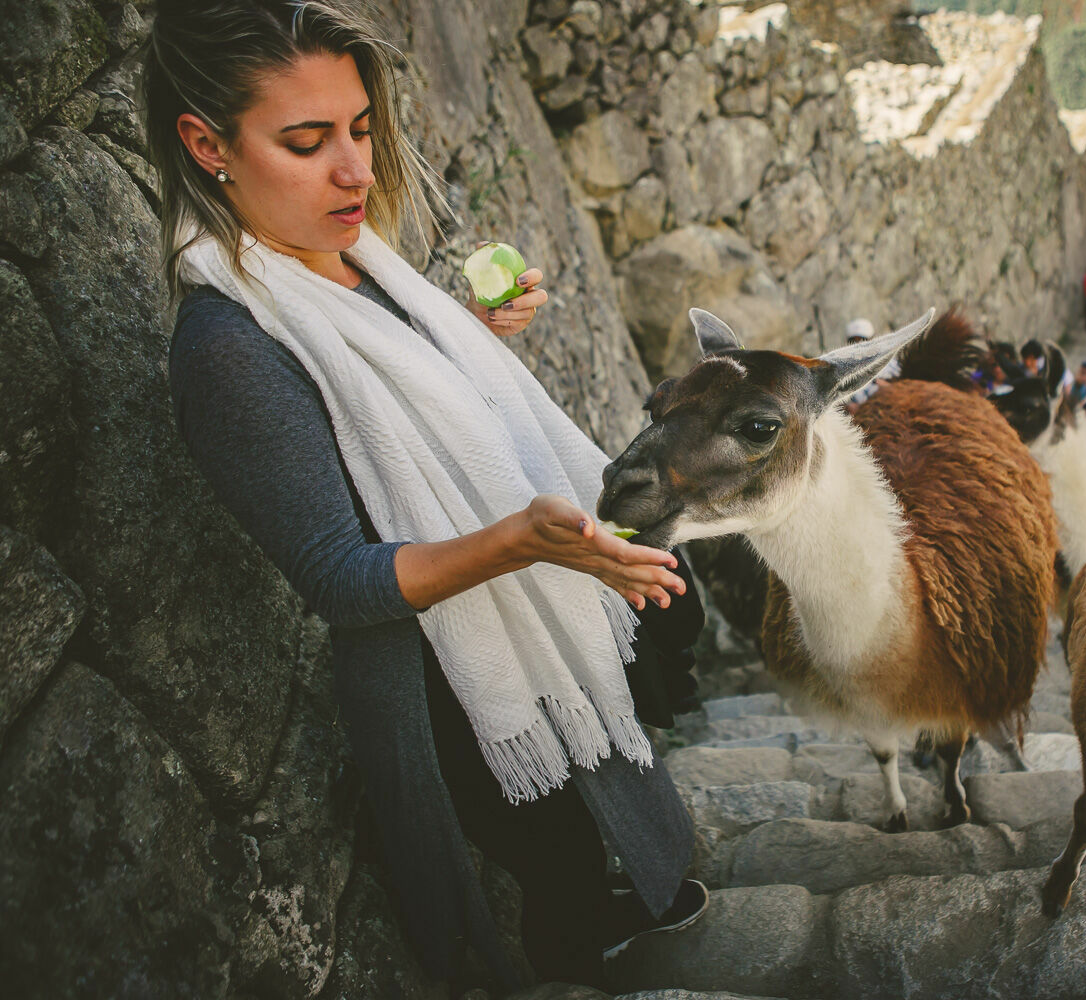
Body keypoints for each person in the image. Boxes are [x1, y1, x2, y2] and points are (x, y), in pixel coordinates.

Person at [143, 2, 706, 992]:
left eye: (359, 128)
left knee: (589, 798)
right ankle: (574, 951)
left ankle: (617, 902)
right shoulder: (228, 347)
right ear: (206, 144)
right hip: (439, 670)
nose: (357, 168)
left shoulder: (349, 263)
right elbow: (340, 578)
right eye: (307, 141)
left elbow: (400, 425)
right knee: (547, 849)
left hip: (513, 597)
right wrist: (520, 542)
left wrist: (475, 340)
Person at [844, 317, 901, 406]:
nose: (858, 344)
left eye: (863, 340)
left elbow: (902, 387)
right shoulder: (843, 370)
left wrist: (888, 388)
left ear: (872, 339)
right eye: (853, 341)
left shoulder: (888, 362)